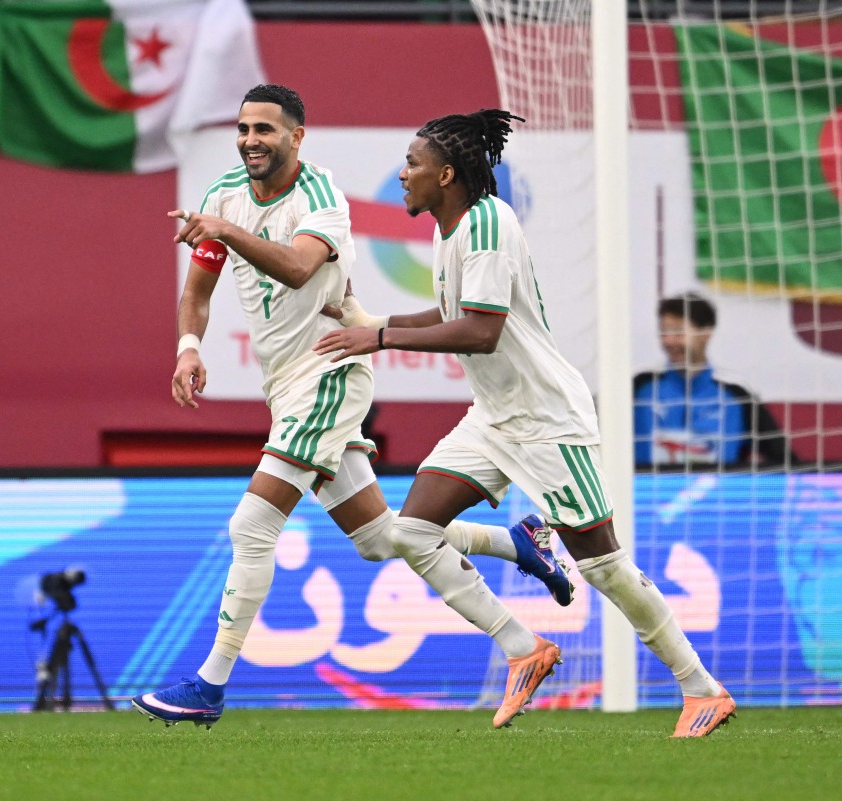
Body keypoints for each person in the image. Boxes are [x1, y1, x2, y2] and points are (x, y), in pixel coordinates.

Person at [131, 85, 573, 730]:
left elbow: (297, 268)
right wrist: (189, 348)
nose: (251, 140)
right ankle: (519, 584)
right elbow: (198, 289)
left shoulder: (321, 198)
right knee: (381, 539)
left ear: (296, 137)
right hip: (284, 385)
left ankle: (209, 686)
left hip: (328, 374)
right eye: (244, 128)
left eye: (265, 130)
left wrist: (227, 229)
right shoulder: (224, 194)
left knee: (251, 528)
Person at [313, 109, 736, 737]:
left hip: (546, 421)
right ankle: (522, 642)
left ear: (446, 174)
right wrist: (372, 321)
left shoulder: (487, 223)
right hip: (493, 418)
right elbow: (453, 312)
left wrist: (377, 337)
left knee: (605, 567)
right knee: (412, 533)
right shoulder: (451, 228)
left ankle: (701, 688)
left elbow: (481, 331)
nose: (402, 174)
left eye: (412, 163)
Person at [633, 292, 790, 468]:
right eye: (663, 332)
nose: (668, 341)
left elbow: (785, 460)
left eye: (678, 332)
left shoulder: (736, 393)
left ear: (706, 333)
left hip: (717, 486)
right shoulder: (640, 386)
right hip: (644, 486)